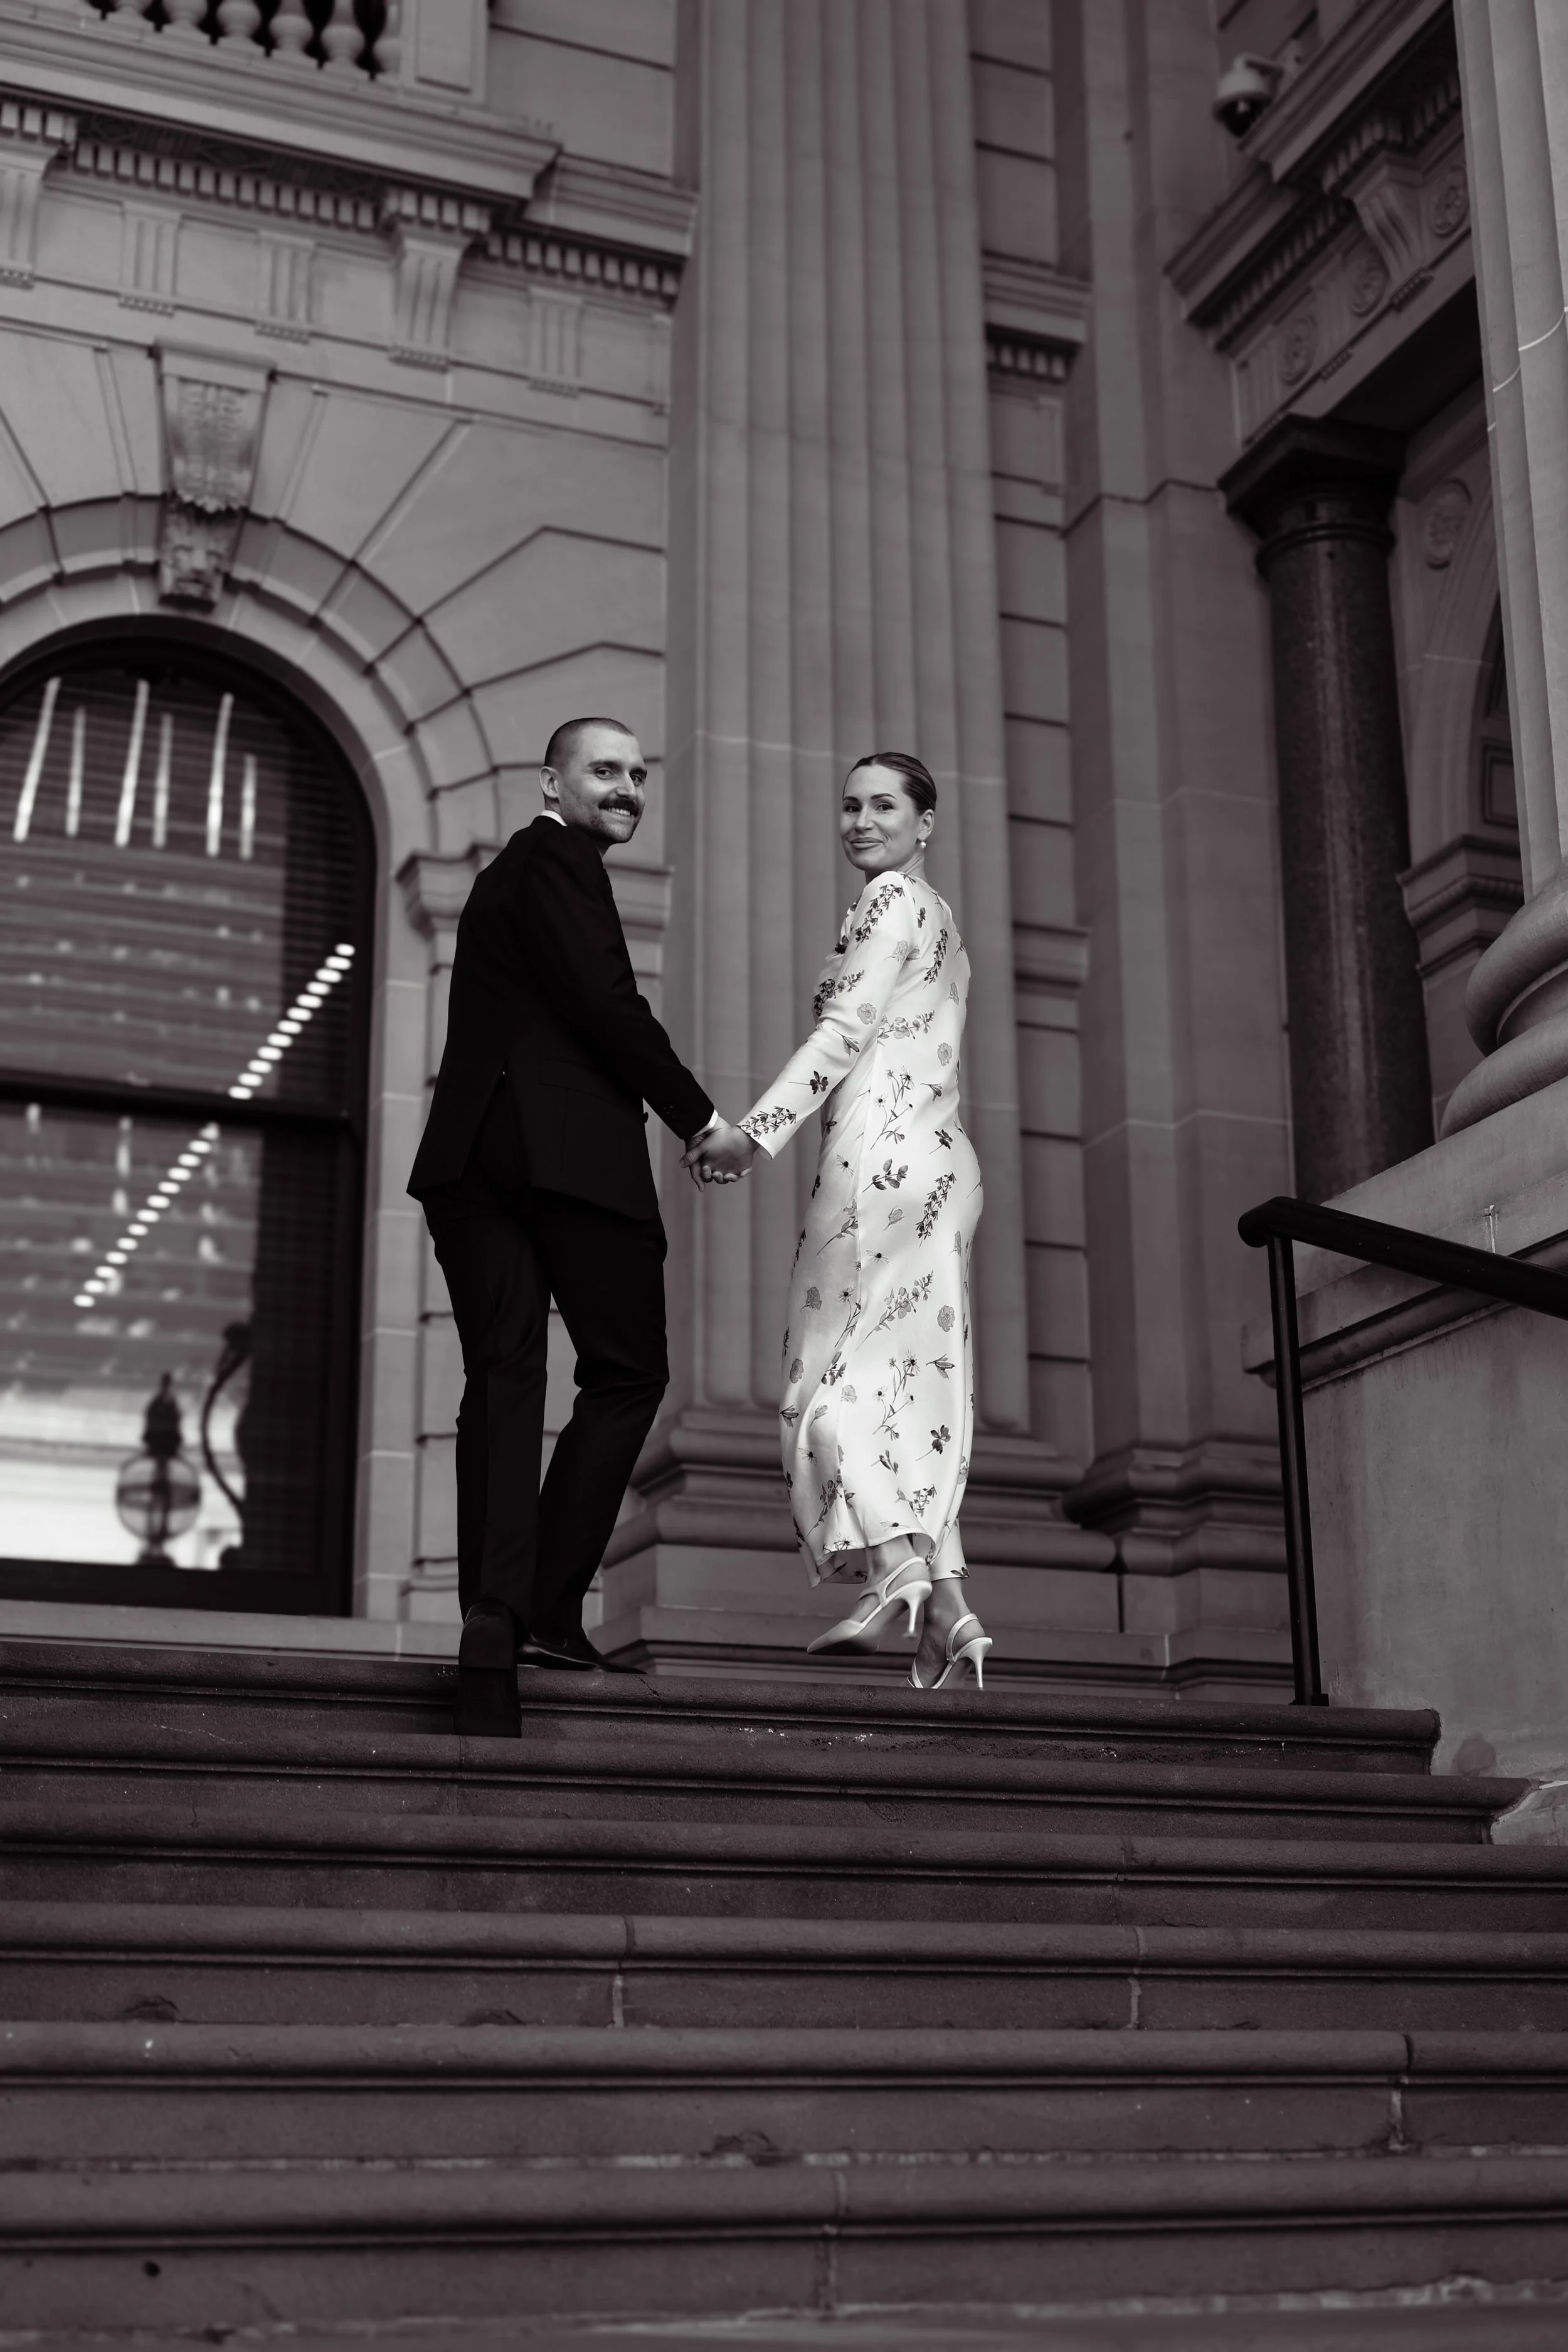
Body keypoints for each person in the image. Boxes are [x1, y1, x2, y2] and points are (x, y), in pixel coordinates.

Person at [408, 716, 748, 1734]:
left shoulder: (499, 880)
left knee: (503, 1375)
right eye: (606, 770)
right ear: (549, 781)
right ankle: (545, 1604)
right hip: (563, 1160)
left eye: (639, 776)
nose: (629, 788)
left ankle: (495, 1612)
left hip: (471, 1162)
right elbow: (608, 1007)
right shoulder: (559, 860)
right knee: (628, 1369)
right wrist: (702, 1118)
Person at [690, 753, 991, 1692]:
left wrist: (753, 1133)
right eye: (851, 806)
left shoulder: (887, 900)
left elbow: (844, 1031)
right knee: (917, 1380)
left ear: (925, 821)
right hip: (944, 1164)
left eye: (885, 805)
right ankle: (948, 1601)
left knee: (826, 1385)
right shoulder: (945, 923)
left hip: (878, 1164)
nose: (861, 821)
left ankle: (895, 1567)